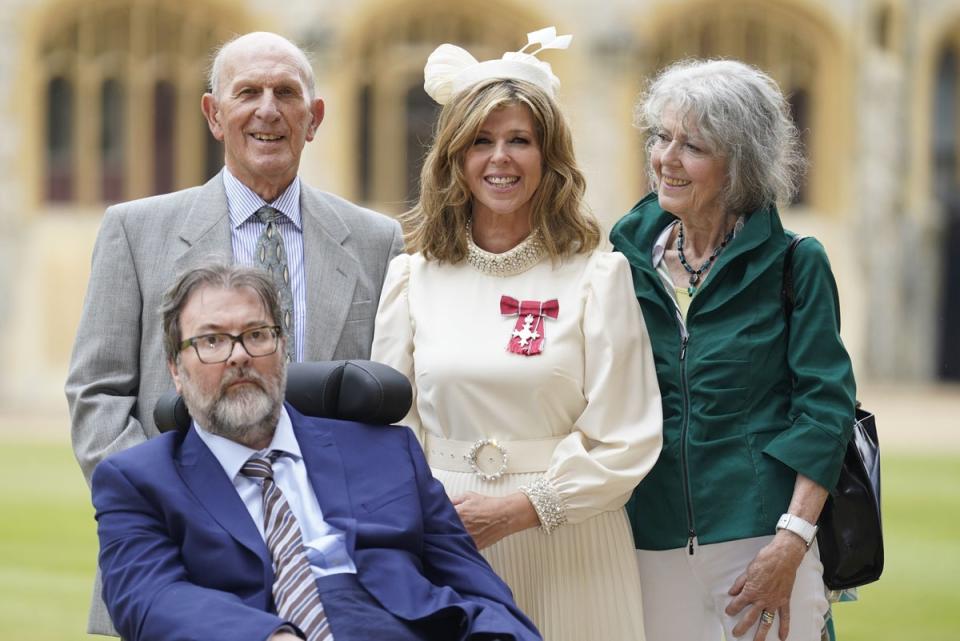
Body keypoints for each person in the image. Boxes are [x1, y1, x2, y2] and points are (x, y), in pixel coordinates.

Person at [66, 31, 402, 635]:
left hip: (333, 564)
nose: (267, 109)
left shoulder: (377, 242)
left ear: (315, 117)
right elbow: (97, 394)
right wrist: (169, 507)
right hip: (180, 558)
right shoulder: (135, 231)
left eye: (286, 93)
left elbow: (383, 403)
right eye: (247, 92)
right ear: (213, 115)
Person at [371, 28, 663, 641]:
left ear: (549, 157)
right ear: (455, 157)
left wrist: (523, 509)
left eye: (519, 141)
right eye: (481, 141)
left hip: (574, 544)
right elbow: (392, 433)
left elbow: (628, 436)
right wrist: (428, 520)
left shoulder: (598, 276)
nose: (499, 158)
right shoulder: (410, 278)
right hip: (448, 543)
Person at [91, 262, 541, 641]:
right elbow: (149, 598)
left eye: (257, 335)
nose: (238, 356)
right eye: (211, 341)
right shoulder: (139, 480)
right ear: (175, 369)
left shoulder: (386, 450)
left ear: (282, 349)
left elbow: (480, 591)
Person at [609, 59, 857, 641]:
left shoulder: (797, 262)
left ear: (739, 164)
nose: (667, 158)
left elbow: (825, 410)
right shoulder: (621, 259)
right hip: (649, 540)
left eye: (692, 145)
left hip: (761, 540)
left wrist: (791, 543)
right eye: (661, 137)